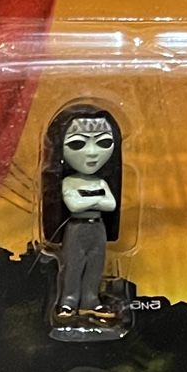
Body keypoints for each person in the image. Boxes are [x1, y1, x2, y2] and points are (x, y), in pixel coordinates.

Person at [40, 105, 123, 330]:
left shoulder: (101, 181)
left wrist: (89, 199)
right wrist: (96, 199)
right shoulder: (69, 182)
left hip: (97, 228)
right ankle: (68, 302)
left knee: (95, 266)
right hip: (76, 229)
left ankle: (90, 300)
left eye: (103, 142)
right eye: (78, 144)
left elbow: (110, 204)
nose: (92, 153)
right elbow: (75, 204)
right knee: (73, 266)